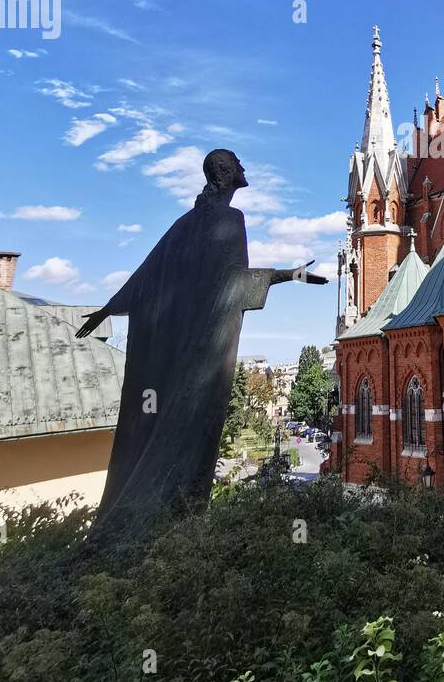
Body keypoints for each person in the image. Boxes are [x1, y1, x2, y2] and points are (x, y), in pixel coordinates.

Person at [76, 149, 325, 534]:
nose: (244, 168)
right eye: (238, 164)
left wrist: (108, 308)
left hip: (186, 358)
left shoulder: (185, 224)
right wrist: (290, 275)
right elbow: (233, 283)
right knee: (194, 442)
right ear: (225, 175)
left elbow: (147, 278)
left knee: (178, 437)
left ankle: (152, 522)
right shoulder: (230, 220)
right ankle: (175, 525)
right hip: (205, 360)